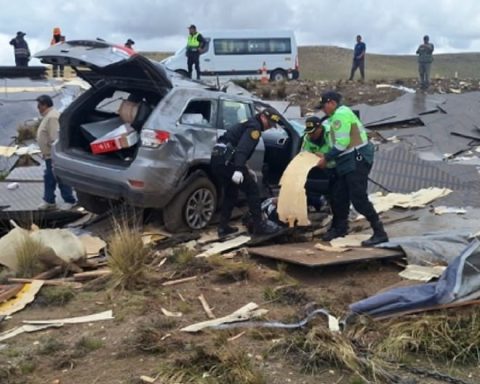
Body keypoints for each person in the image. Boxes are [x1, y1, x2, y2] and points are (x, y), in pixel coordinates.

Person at [316, 91, 388, 247]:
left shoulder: (340, 115)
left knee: (358, 198)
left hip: (356, 158)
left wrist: (326, 158)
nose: (323, 110)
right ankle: (340, 228)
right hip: (347, 159)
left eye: (324, 106)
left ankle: (379, 232)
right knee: (339, 195)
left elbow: (342, 143)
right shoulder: (336, 116)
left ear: (332, 103)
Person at [210, 108, 282, 237]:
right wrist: (238, 169)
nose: (269, 128)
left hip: (219, 159)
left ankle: (223, 228)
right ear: (263, 117)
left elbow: (233, 143)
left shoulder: (249, 122)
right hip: (229, 162)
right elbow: (242, 149)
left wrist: (245, 167)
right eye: (269, 124)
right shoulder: (254, 128)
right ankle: (259, 227)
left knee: (231, 193)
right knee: (252, 190)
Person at [36, 95, 77, 210]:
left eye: (39, 105)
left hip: (53, 155)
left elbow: (55, 137)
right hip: (49, 155)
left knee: (59, 177)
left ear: (44, 105)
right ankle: (49, 200)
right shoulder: (48, 116)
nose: (38, 108)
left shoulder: (52, 117)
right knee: (49, 177)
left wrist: (53, 152)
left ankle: (69, 200)